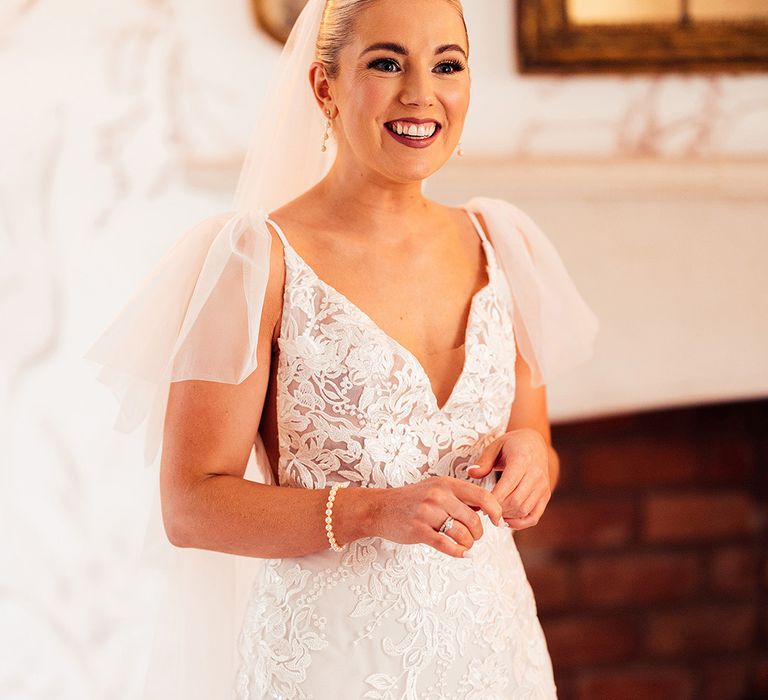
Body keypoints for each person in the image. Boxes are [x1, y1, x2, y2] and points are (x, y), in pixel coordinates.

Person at [84, 0, 599, 697]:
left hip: (493, 653)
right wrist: (374, 510)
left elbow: (528, 435)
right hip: (332, 662)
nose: (421, 93)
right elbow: (190, 505)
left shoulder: (501, 242)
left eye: (447, 65)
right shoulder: (255, 258)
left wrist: (537, 458)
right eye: (386, 63)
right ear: (323, 87)